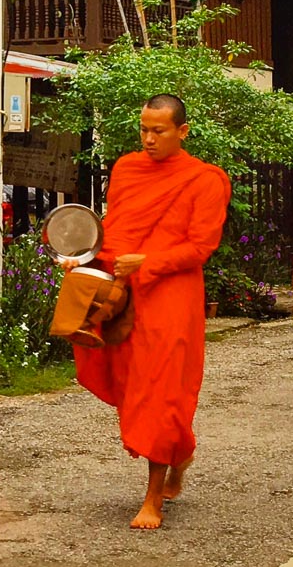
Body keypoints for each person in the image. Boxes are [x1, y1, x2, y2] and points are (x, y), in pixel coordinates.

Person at [65, 94, 231, 530]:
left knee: (162, 391)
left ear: (183, 131)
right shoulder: (127, 168)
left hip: (172, 294)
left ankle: (153, 497)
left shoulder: (206, 179)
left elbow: (201, 247)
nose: (149, 138)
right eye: (144, 129)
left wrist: (149, 262)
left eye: (159, 130)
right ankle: (181, 451)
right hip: (125, 290)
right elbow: (116, 227)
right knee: (132, 384)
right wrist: (82, 258)